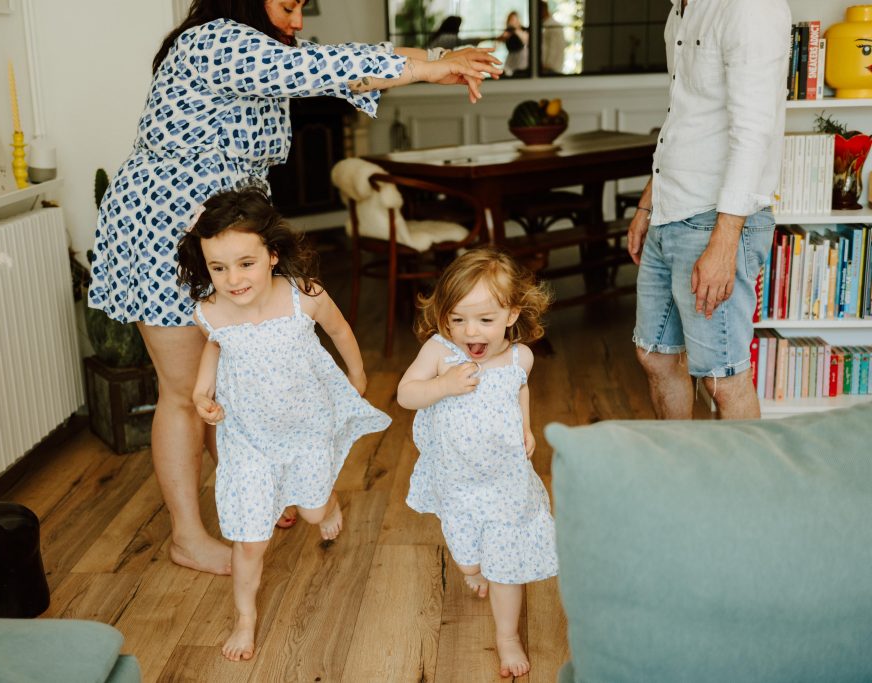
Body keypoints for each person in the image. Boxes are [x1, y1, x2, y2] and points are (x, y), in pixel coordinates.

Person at [88, 0, 503, 577]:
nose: (298, 20)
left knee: (237, 371)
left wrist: (440, 57)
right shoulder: (214, 42)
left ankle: (252, 495)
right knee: (186, 392)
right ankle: (188, 536)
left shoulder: (262, 50)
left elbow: (354, 63)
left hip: (231, 233)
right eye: (288, 4)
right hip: (165, 228)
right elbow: (324, 68)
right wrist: (431, 68)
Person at [180, 188, 391, 661]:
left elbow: (339, 330)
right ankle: (245, 619)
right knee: (249, 539)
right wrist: (200, 396)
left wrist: (357, 374)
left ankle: (326, 500)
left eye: (245, 263)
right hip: (249, 442)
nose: (232, 279)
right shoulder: (209, 313)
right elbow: (213, 352)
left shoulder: (304, 296)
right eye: (218, 268)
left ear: (272, 255)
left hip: (307, 429)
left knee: (314, 512)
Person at [397, 248, 558, 679]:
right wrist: (444, 385)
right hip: (457, 483)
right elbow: (406, 394)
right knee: (470, 561)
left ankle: (507, 637)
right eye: (458, 319)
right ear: (443, 316)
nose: (471, 331)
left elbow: (518, 391)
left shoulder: (520, 358)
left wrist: (526, 428)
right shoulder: (440, 352)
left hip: (506, 481)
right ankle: (473, 569)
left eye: (485, 319)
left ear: (511, 314)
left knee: (506, 565)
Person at [626, 0, 790, 420]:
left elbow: (754, 132)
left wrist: (724, 242)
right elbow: (683, 118)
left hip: (715, 220)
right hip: (669, 208)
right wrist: (649, 201)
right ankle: (683, 476)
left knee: (723, 378)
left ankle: (744, 488)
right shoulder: (682, 9)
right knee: (656, 356)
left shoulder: (750, 8)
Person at [497, 11, 529, 76]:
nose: (513, 22)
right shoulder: (507, 32)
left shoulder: (523, 30)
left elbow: (526, 41)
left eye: (514, 19)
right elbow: (497, 44)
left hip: (522, 59)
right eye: (511, 20)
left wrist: (516, 30)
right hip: (511, 59)